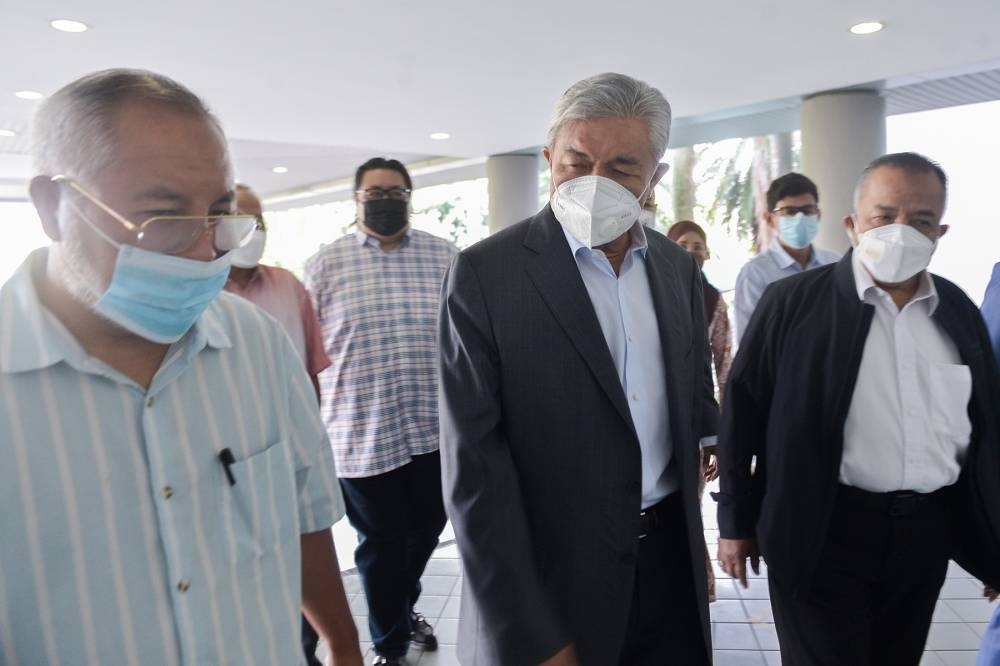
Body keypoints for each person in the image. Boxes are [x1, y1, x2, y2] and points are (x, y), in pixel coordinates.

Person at [0, 68, 363, 665]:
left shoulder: (256, 343)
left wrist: (342, 645)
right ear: (53, 205)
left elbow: (301, 516)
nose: (203, 250)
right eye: (164, 218)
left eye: (219, 214)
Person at [439, 72, 718, 666]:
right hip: (550, 583)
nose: (595, 183)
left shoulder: (677, 269)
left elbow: (690, 388)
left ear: (655, 177)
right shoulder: (486, 275)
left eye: (621, 167)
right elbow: (474, 474)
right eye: (576, 162)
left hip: (667, 569)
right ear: (548, 159)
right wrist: (529, 634)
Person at [716, 152, 1000, 665]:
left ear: (940, 232)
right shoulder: (792, 303)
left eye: (920, 221)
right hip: (821, 529)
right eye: (884, 216)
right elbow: (743, 411)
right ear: (852, 224)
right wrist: (734, 522)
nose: (901, 230)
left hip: (923, 535)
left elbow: (982, 433)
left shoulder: (958, 312)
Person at [304, 158, 457, 666]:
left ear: (410, 198)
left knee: (427, 532)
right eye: (375, 193)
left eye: (395, 192)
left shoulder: (446, 258)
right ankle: (391, 645)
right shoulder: (325, 265)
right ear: (356, 200)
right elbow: (309, 353)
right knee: (381, 546)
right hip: (360, 436)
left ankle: (401, 609)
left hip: (436, 432)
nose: (385, 200)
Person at [223, 183, 333, 665]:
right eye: (239, 217)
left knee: (300, 606)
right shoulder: (198, 298)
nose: (252, 231)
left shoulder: (289, 287)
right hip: (224, 472)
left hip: (285, 466)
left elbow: (310, 375)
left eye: (259, 219)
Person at [667, 219, 732, 603]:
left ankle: (690, 591)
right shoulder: (654, 289)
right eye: (683, 244)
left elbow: (723, 367)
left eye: (698, 246)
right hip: (650, 424)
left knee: (686, 511)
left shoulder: (712, 301)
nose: (691, 252)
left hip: (693, 426)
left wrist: (719, 436)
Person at [732, 172, 840, 343]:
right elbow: (749, 341)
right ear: (769, 218)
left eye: (807, 210)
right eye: (789, 211)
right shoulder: (755, 274)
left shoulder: (835, 264)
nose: (799, 218)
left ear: (818, 215)